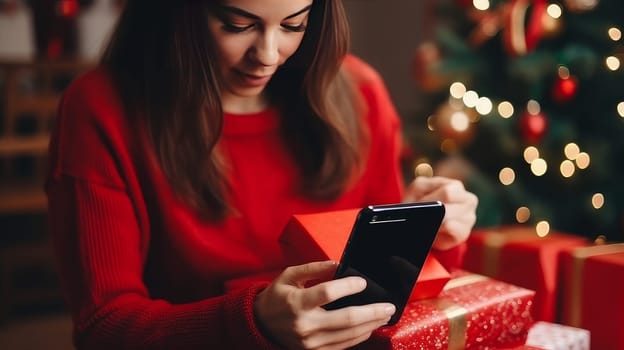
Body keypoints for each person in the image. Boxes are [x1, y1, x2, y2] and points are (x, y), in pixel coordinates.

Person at [46, 0, 478, 349]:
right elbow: (102, 327)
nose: (268, 55)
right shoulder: (101, 109)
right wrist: (251, 322)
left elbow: (390, 293)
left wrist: (436, 238)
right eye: (237, 25)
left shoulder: (360, 91)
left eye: (294, 24)